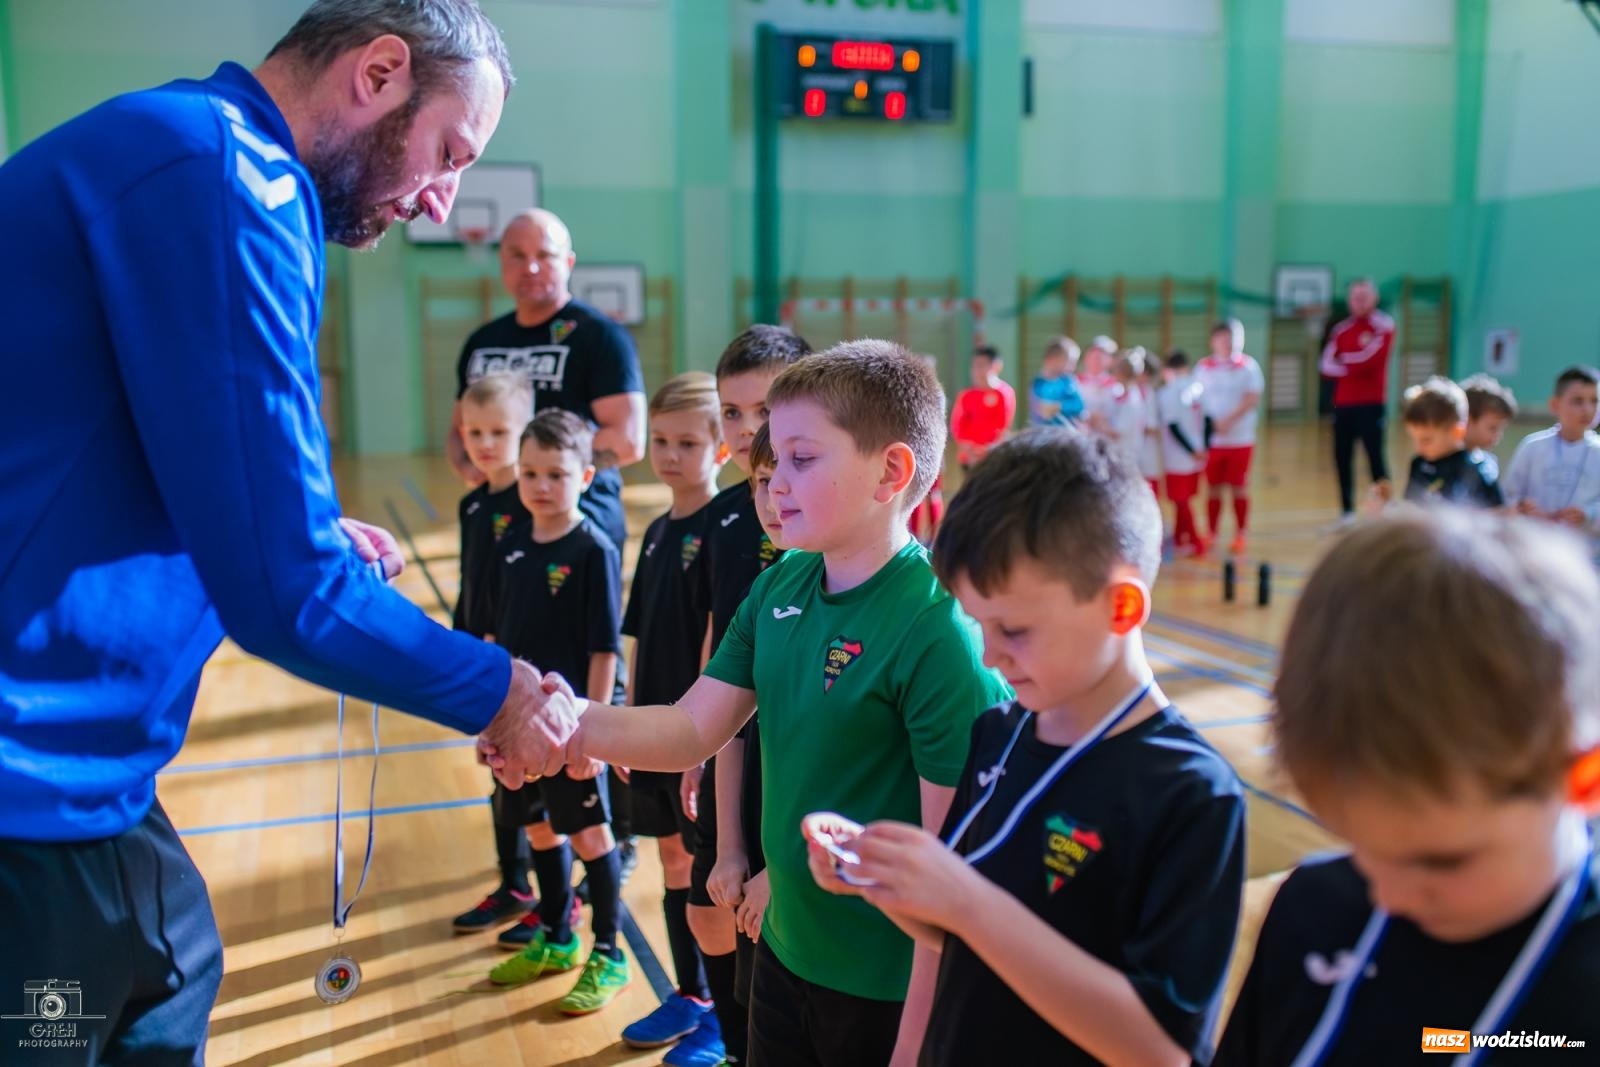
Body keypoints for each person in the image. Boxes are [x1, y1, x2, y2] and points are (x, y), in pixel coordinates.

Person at [0, 3, 579, 1060]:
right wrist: (499, 690)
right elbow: (286, 589)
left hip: (91, 778)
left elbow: (119, 447)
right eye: (448, 151)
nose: (446, 199)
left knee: (173, 967)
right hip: (26, 783)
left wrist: (284, 516)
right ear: (379, 73)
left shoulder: (193, 153)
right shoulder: (227, 178)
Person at [493, 340, 1012, 1066]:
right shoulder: (778, 590)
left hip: (889, 991)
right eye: (774, 460)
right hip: (782, 957)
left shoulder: (938, 632)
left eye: (802, 459)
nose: (774, 483)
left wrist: (919, 1044)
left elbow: (950, 880)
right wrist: (564, 720)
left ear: (891, 472)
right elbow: (690, 726)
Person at [811, 429, 1247, 1065]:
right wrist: (884, 879)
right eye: (979, 625)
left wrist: (968, 902)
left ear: (1121, 607)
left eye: (1013, 629)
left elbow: (1163, 1050)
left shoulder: (1190, 793)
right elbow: (958, 928)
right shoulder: (999, 729)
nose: (990, 655)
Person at [1215, 509, 1600, 1063]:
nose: (1387, 896)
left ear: (1581, 782)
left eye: (1441, 862)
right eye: (1362, 845)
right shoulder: (1312, 909)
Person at [684, 325, 813, 1067]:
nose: (746, 431)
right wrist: (699, 743)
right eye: (731, 413)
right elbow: (722, 651)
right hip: (738, 753)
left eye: (761, 409)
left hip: (802, 794)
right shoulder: (730, 519)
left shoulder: (832, 535)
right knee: (721, 907)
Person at [486, 410, 631, 1015]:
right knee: (539, 829)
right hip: (520, 732)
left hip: (570, 734)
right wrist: (492, 718)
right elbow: (500, 639)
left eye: (556, 473)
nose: (541, 485)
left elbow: (604, 648)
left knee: (592, 837)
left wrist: (588, 733)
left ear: (587, 475)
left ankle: (608, 952)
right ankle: (556, 934)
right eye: (529, 473)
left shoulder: (592, 549)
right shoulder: (513, 544)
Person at [617, 373, 727, 1062]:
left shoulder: (724, 529)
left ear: (721, 448)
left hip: (694, 735)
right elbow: (638, 631)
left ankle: (721, 1004)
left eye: (689, 442)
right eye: (661, 440)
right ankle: (690, 990)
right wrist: (626, 718)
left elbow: (719, 647)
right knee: (668, 858)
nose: (671, 454)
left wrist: (703, 745)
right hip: (651, 728)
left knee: (702, 867)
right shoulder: (658, 529)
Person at [451, 207, 646, 557]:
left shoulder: (600, 336)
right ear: (502, 263)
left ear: (568, 263)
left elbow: (629, 440)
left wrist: (535, 469)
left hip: (579, 522)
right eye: (517, 255)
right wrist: (472, 470)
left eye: (544, 255)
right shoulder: (483, 341)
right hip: (497, 522)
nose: (531, 267)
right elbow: (458, 431)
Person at [450, 374, 542, 936]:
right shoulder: (472, 505)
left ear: (524, 431)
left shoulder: (532, 501)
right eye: (474, 432)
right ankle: (513, 883)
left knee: (540, 786)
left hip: (524, 662)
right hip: (483, 657)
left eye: (498, 432)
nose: (485, 444)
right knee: (500, 774)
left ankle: (557, 895)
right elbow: (473, 583)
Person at [1321, 278, 1395, 521]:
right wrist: (1352, 364)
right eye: (1355, 297)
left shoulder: (1383, 325)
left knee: (1375, 457)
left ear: (1374, 298)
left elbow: (1371, 359)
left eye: (1364, 296)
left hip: (1371, 404)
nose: (1359, 302)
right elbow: (1326, 365)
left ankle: (1386, 509)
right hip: (1343, 404)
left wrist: (1346, 361)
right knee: (1341, 457)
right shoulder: (1341, 330)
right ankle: (1346, 511)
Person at [1502, 366, 1600, 534]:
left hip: (1586, 553)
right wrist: (1523, 507)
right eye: (1578, 401)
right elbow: (1508, 497)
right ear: (1555, 405)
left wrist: (1588, 514)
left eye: (1594, 401)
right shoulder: (1532, 446)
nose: (1587, 409)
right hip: (1536, 547)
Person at [1196, 319, 1264, 555]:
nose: (1229, 342)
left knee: (1238, 486)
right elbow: (1197, 401)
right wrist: (1211, 423)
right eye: (1224, 337)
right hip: (1214, 440)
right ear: (1214, 340)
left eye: (1234, 337)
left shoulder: (1249, 366)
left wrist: (1229, 420)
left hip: (1240, 438)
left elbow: (1252, 398)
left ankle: (1240, 533)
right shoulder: (1203, 367)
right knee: (1213, 487)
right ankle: (1211, 533)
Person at [1399, 376, 1502, 508]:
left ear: (1457, 432)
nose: (1418, 448)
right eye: (1415, 439)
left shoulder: (1478, 469)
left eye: (1426, 440)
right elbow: (1409, 506)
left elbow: (1499, 514)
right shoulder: (1418, 464)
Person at [1159, 351, 1208, 556]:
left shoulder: (1169, 392)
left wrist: (1190, 450)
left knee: (1181, 499)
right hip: (1197, 451)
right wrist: (1201, 447)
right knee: (1185, 498)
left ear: (1167, 370)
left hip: (1178, 455)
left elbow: (1173, 426)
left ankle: (1196, 539)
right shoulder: (1198, 387)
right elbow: (1208, 420)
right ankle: (1180, 538)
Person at [950, 344, 1017, 469]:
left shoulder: (1004, 393)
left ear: (996, 366)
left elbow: (1003, 425)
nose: (976, 370)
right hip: (969, 457)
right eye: (974, 366)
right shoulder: (966, 395)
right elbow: (957, 425)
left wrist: (986, 450)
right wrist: (968, 448)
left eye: (981, 365)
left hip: (993, 455)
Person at [1460, 373, 1518, 482]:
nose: (1498, 436)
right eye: (1493, 428)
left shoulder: (1488, 466)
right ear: (1468, 420)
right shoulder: (1442, 461)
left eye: (1501, 429)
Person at [1030, 336, 1085, 428]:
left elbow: (1079, 405)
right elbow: (1044, 411)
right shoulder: (1039, 383)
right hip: (1044, 433)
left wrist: (1058, 406)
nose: (1074, 367)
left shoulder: (1068, 381)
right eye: (1070, 362)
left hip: (1068, 434)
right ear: (1053, 359)